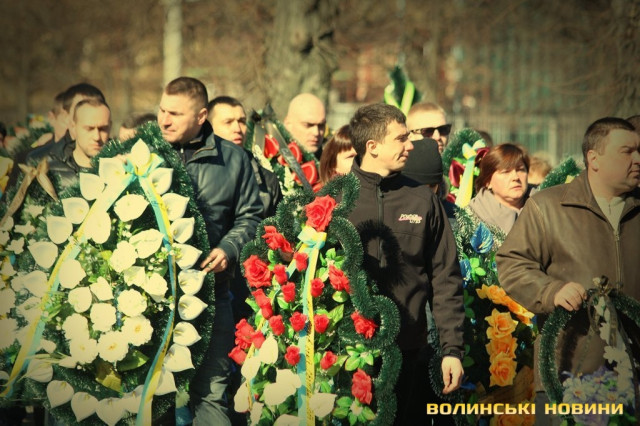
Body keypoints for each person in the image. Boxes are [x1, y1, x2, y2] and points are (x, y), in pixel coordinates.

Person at [496, 117, 640, 424]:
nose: (637, 159)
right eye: (627, 151)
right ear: (594, 159)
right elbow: (512, 263)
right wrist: (551, 290)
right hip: (570, 377)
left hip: (634, 380)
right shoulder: (548, 207)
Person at [347, 103, 464, 424]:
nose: (410, 145)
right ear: (372, 146)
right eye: (401, 138)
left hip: (409, 352)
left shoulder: (423, 200)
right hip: (347, 356)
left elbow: (446, 279)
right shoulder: (338, 200)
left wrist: (452, 350)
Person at [157, 77, 263, 425]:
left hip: (212, 298)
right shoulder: (146, 154)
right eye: (162, 110)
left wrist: (228, 249)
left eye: (175, 113)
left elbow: (251, 216)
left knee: (212, 397)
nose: (164, 120)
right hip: (149, 301)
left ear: (201, 116)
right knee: (150, 401)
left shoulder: (233, 159)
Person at [26, 98, 111, 190]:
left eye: (103, 129)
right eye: (89, 129)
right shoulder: (46, 170)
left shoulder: (121, 167)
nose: (97, 137)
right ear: (73, 127)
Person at [468, 143, 530, 235]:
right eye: (506, 172)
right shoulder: (471, 217)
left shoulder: (545, 205)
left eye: (520, 169)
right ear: (488, 182)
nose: (516, 177)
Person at [402, 137, 457, 227]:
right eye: (420, 186)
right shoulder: (389, 210)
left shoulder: (453, 216)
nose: (427, 193)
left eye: (432, 185)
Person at [283, 93, 326, 158]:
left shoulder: (331, 162)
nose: (316, 132)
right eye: (308, 125)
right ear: (288, 124)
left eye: (321, 125)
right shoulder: (268, 158)